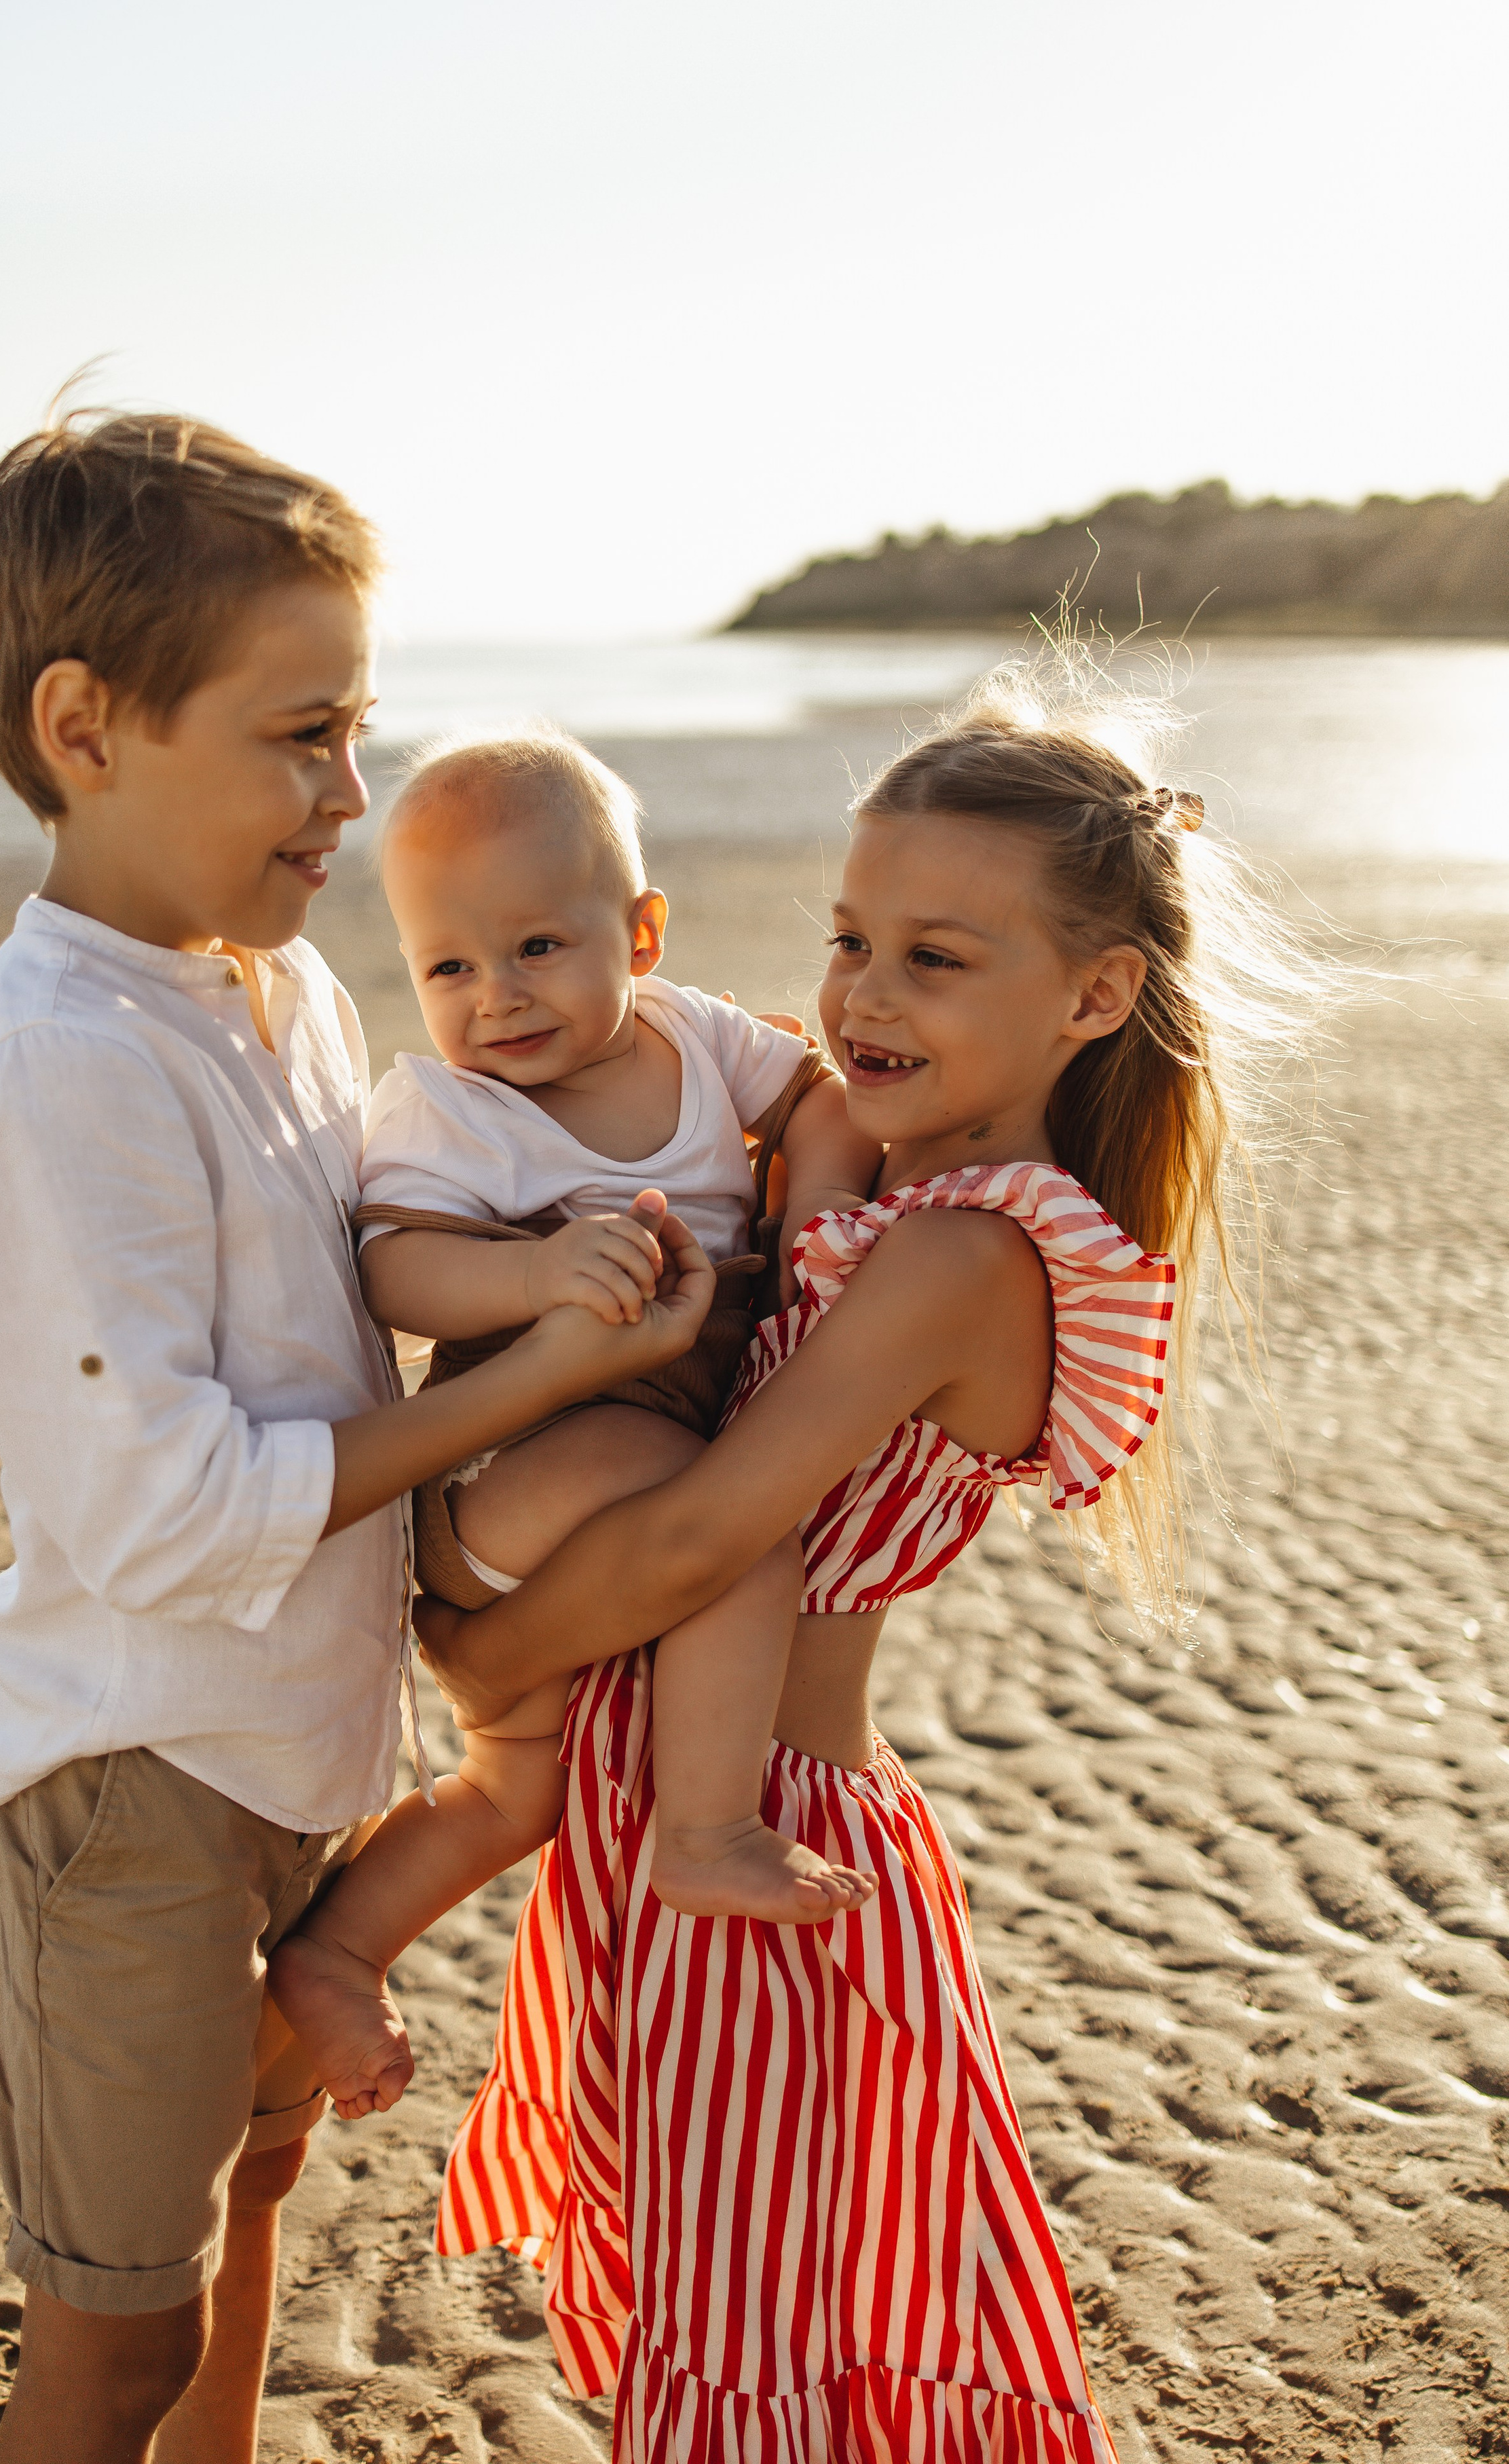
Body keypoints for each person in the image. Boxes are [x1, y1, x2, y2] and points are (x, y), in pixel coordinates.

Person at [0, 411, 711, 2464]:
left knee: (258, 2188)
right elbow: (168, 1510)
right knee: (113, 2343)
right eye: (301, 735)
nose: (354, 794)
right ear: (86, 724)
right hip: (135, 1786)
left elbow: (380, 1285)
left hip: (297, 1742)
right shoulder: (56, 1068)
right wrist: (537, 1381)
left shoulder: (281, 994)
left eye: (360, 731)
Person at [420, 667, 1320, 2461]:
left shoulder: (969, 1258)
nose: (863, 993)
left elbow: (700, 1536)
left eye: (935, 957)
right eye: (853, 937)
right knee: (733, 2313)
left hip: (761, 1837)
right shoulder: (877, 1182)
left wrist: (467, 1651)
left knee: (758, 2353)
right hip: (674, 1815)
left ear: (1097, 994)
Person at [269, 730, 881, 2113]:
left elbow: (821, 1101)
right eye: (448, 967)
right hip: (509, 1470)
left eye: (538, 947)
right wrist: (535, 1275)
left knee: (511, 1794)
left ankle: (340, 1952)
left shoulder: (697, 1042)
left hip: (620, 1466)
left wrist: (819, 1220)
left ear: (641, 933)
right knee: (727, 1523)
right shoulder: (449, 1106)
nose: (494, 998)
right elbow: (392, 1265)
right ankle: (706, 1827)